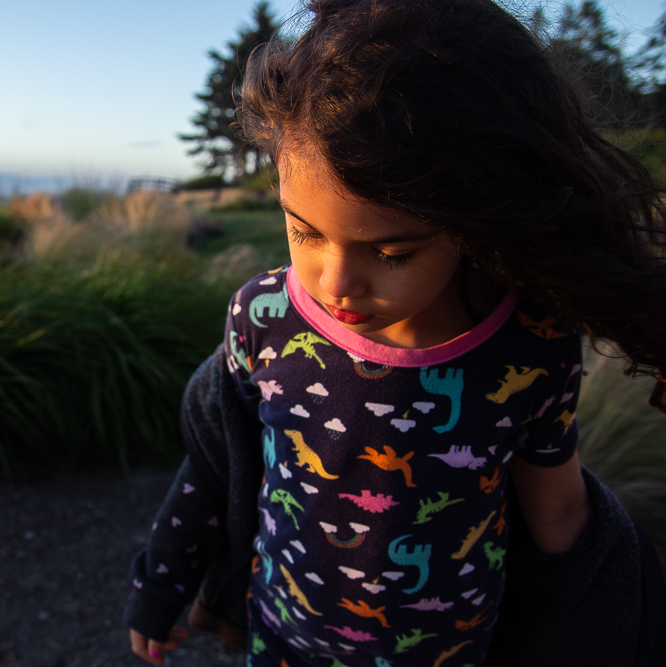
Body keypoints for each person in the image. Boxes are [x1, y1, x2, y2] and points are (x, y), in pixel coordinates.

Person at [126, 0, 666, 665]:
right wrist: (160, 581)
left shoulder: (530, 343)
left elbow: (558, 515)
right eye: (304, 231)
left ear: (472, 220)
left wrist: (595, 630)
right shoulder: (263, 318)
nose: (336, 282)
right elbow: (215, 463)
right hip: (285, 642)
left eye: (391, 252)